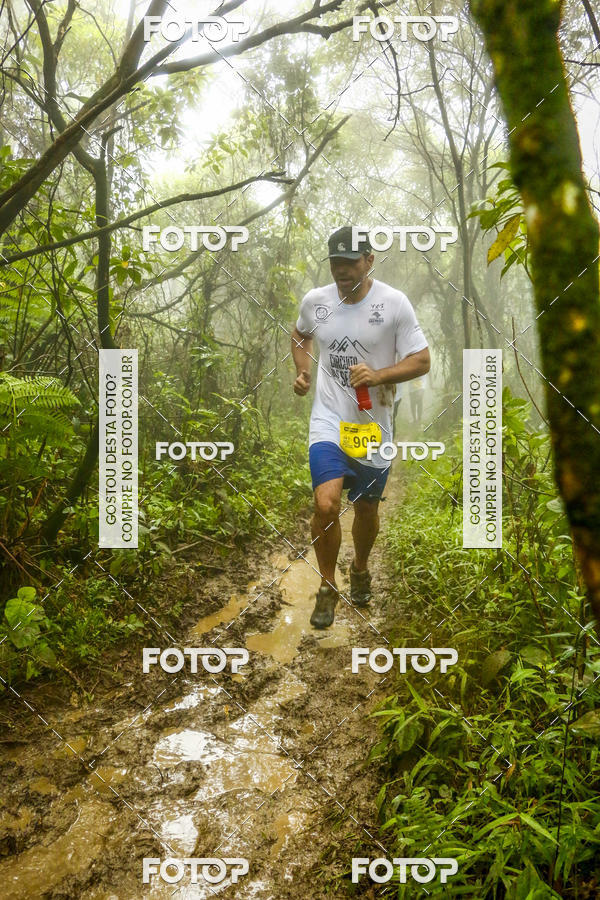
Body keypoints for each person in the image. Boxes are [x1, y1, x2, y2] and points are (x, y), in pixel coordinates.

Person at [291, 226, 430, 629]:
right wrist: (303, 371)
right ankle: (327, 586)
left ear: (369, 260)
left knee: (366, 508)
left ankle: (362, 567)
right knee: (326, 504)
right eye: (335, 262)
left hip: (374, 425)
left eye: (350, 262)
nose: (341, 270)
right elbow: (300, 335)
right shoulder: (316, 302)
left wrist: (379, 374)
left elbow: (421, 360)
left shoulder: (394, 304)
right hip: (329, 420)